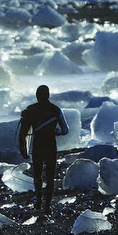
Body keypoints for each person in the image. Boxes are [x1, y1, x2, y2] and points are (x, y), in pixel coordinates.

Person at [18, 85, 69, 213]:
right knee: (50, 176)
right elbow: (65, 130)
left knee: (37, 174)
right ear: (48, 95)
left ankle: (39, 199)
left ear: (37, 96)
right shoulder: (55, 109)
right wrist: (56, 131)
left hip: (38, 146)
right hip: (51, 145)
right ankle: (47, 205)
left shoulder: (30, 110)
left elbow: (22, 133)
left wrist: (23, 149)